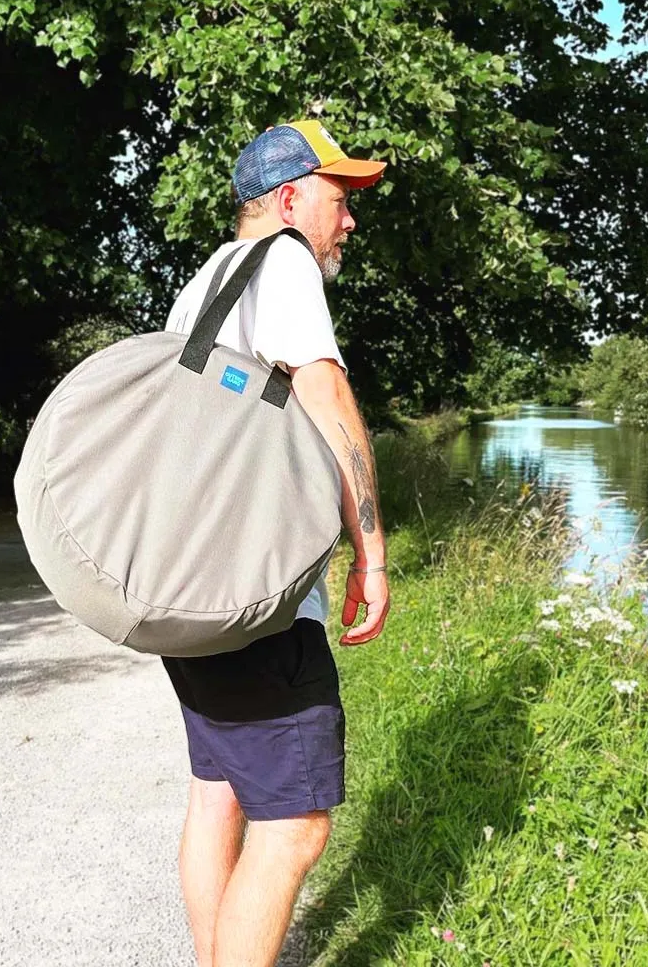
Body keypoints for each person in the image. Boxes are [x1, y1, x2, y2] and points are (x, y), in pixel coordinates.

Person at [162, 120, 391, 967]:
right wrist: (371, 551)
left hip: (191, 587)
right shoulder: (284, 261)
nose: (350, 221)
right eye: (341, 199)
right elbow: (325, 395)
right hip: (258, 599)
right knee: (294, 827)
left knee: (217, 792)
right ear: (291, 198)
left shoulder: (205, 283)